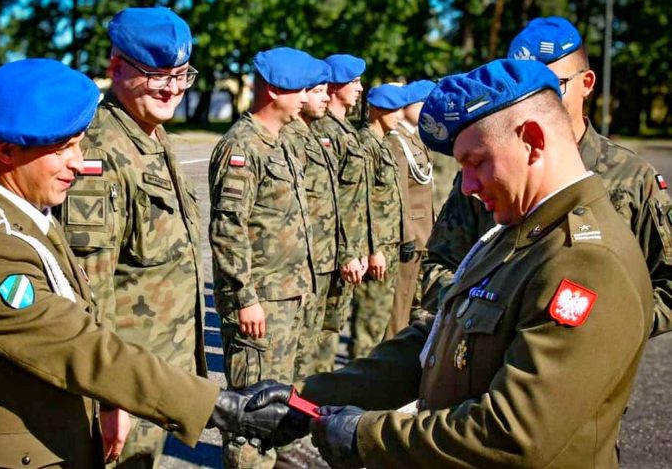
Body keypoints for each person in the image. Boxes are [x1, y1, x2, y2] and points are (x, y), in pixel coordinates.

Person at [246, 59, 653, 468]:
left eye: (476, 163)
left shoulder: (585, 261)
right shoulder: (520, 233)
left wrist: (365, 434)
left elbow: (514, 435)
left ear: (531, 139)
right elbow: (434, 341)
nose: (469, 187)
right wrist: (306, 398)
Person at [0, 58, 289, 469]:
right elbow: (82, 347)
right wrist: (219, 405)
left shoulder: (30, 216)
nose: (77, 162)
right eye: (62, 150)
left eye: (78, 144)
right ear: (6, 150)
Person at [422, 16, 672, 337]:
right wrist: (482, 311)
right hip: (487, 360)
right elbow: (436, 265)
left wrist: (609, 326)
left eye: (554, 85)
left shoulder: (633, 176)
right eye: (521, 88)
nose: (534, 99)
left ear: (588, 83)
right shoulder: (485, 173)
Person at [56, 8, 208, 467]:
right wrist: (109, 397)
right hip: (127, 377)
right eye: (156, 75)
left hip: (155, 368)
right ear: (115, 68)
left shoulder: (152, 136)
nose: (173, 89)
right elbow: (90, 290)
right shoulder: (101, 155)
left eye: (181, 75)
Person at [208, 47, 318, 468]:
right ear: (275, 90)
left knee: (277, 404)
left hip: (286, 296)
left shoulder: (281, 141)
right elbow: (227, 228)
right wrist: (245, 297)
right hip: (261, 302)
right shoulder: (242, 146)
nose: (307, 96)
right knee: (249, 413)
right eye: (301, 88)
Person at [279, 58, 341, 381]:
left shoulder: (313, 135)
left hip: (321, 258)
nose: (321, 97)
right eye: (315, 90)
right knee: (296, 350)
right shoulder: (290, 138)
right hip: (302, 263)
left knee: (313, 344)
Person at [310, 54, 371, 372]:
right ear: (335, 87)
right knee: (321, 336)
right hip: (329, 253)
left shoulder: (344, 130)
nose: (360, 89)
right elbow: (332, 201)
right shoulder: (324, 133)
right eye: (355, 82)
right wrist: (348, 252)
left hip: (345, 249)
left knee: (331, 330)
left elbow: (356, 201)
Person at [348, 84, 407, 359]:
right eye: (394, 109)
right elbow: (362, 202)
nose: (400, 115)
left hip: (388, 246)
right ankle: (357, 391)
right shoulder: (365, 146)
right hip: (377, 251)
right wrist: (372, 250)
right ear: (378, 110)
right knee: (368, 327)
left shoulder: (382, 144)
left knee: (380, 322)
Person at [384, 80, 437, 340]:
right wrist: (407, 235)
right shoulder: (396, 141)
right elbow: (401, 195)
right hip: (410, 234)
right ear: (406, 105)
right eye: (422, 103)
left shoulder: (414, 140)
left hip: (421, 232)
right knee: (398, 306)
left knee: (410, 302)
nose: (428, 109)